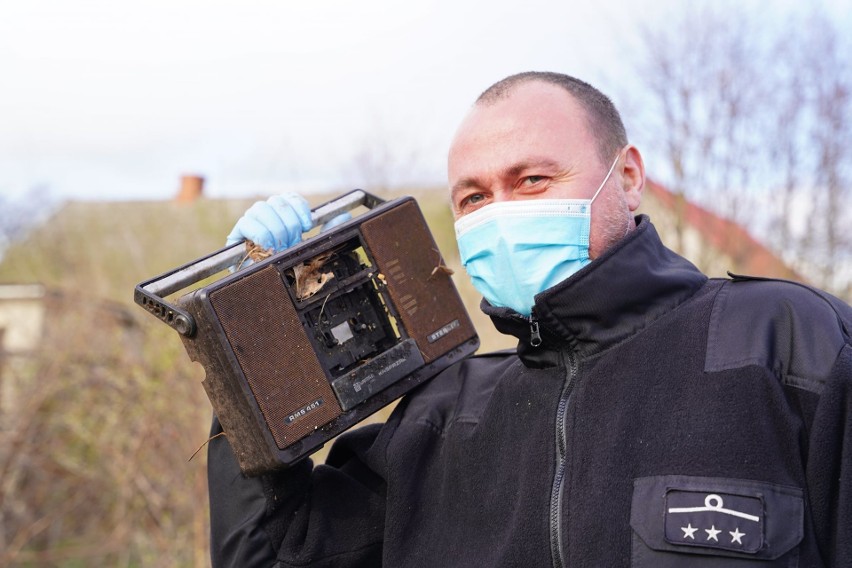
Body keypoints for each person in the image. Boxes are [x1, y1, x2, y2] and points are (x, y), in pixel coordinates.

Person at [208, 71, 852, 567]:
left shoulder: (789, 343)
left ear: (627, 178)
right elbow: (273, 553)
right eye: (475, 197)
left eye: (534, 179)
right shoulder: (441, 416)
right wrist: (253, 336)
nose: (501, 214)